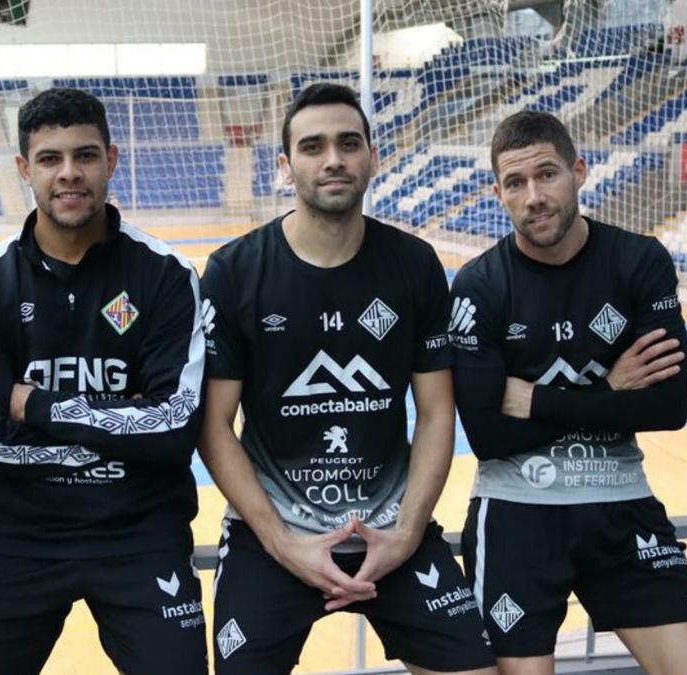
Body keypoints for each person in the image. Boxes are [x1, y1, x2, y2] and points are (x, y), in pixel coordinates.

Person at [199, 82, 496, 675]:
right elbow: (213, 426)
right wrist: (282, 543)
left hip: (393, 530)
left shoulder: (413, 264)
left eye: (348, 143)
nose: (333, 159)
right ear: (286, 167)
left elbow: (438, 411)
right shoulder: (235, 272)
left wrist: (408, 533)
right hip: (273, 537)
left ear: (372, 156)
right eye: (313, 147)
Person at [0, 87, 207, 674]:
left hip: (140, 535)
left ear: (111, 159)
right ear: (23, 170)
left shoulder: (166, 275)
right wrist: (120, 423)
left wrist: (34, 406)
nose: (69, 174)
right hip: (21, 540)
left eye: (85, 155)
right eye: (49, 159)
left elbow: (173, 431)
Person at [450, 109, 687, 675]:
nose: (534, 196)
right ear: (498, 193)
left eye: (547, 174)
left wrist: (538, 401)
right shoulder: (479, 283)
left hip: (621, 501)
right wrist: (613, 389)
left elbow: (668, 407)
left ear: (580, 171)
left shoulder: (639, 260)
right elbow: (488, 435)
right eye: (515, 183)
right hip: (518, 511)